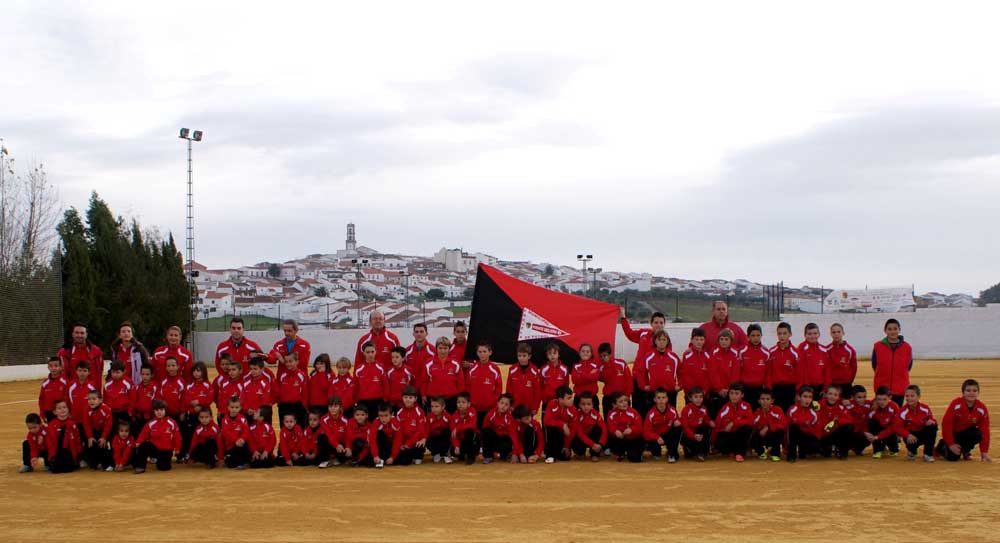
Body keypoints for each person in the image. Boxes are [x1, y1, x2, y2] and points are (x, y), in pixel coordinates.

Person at [620, 308, 665, 416]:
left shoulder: (665, 340)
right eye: (656, 322)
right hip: (637, 377)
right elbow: (629, 333)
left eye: (661, 323)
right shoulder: (643, 333)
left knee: (652, 410)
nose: (658, 325)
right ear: (651, 323)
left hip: (653, 381)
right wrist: (623, 317)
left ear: (664, 325)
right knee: (637, 407)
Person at [936, 379, 991, 462]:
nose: (971, 393)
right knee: (953, 458)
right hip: (954, 434)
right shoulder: (956, 404)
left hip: (966, 434)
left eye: (974, 390)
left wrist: (984, 452)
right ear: (963, 392)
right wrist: (951, 444)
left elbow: (985, 430)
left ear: (978, 393)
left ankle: (965, 450)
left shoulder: (982, 408)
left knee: (977, 434)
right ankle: (942, 446)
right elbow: (946, 424)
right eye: (968, 390)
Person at [871, 318, 913, 406]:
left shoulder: (907, 347)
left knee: (897, 412)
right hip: (882, 387)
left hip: (900, 388)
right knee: (881, 412)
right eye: (889, 329)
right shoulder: (878, 346)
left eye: (895, 329)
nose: (892, 331)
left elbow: (908, 366)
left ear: (899, 329)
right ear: (885, 330)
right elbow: (875, 365)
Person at [133, 399, 181, 473]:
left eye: (161, 409)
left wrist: (177, 448)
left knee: (163, 468)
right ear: (154, 411)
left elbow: (177, 437)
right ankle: (140, 467)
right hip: (154, 448)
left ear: (165, 410)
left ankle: (160, 461)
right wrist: (138, 442)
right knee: (143, 446)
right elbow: (144, 434)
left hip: (166, 450)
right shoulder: (151, 423)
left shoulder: (172, 423)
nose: (159, 412)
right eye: (156, 410)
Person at [637, 331, 680, 411]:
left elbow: (681, 372)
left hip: (670, 392)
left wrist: (680, 385)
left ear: (667, 341)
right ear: (655, 341)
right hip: (654, 392)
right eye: (659, 339)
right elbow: (640, 371)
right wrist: (643, 386)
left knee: (671, 414)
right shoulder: (649, 356)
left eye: (664, 339)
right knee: (653, 414)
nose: (661, 342)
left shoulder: (673, 357)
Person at [713, 383, 754, 462]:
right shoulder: (724, 409)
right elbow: (717, 427)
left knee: (747, 428)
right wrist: (714, 445)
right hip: (729, 435)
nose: (734, 396)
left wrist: (733, 423)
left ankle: (739, 453)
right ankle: (731, 450)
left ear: (742, 395)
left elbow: (751, 421)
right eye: (731, 393)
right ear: (728, 394)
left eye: (737, 393)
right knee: (720, 440)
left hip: (740, 435)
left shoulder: (746, 406)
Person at [423, 337, 465, 414]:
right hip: (434, 399)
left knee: (450, 420)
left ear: (449, 349)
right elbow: (424, 381)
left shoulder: (455, 363)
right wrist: (423, 395)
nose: (442, 351)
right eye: (440, 348)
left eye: (445, 348)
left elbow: (460, 382)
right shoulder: (429, 363)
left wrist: (460, 397)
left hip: (451, 399)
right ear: (436, 349)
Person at [180, 362, 213, 459]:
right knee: (189, 435)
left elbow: (210, 398)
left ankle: (205, 454)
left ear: (203, 372)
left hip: (204, 416)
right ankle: (189, 453)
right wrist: (186, 410)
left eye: (198, 371)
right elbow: (185, 399)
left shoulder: (207, 385)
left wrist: (200, 403)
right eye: (194, 371)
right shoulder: (189, 385)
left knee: (205, 435)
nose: (196, 373)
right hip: (191, 415)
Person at [57, 323, 104, 389]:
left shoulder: (96, 352)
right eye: (77, 333)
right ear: (72, 334)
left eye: (82, 333)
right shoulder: (64, 352)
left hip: (91, 391)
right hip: (72, 390)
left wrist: (96, 391)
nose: (79, 335)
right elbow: (60, 374)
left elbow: (99, 373)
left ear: (86, 335)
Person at [898, 384, 937, 462]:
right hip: (910, 436)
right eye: (907, 396)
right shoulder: (902, 411)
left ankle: (928, 454)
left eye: (912, 396)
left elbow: (932, 419)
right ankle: (912, 451)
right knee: (912, 448)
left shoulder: (925, 408)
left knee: (933, 426)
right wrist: (907, 434)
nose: (909, 398)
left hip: (922, 433)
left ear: (918, 397)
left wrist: (931, 421)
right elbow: (897, 427)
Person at [468, 341, 503, 427]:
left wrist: (494, 401)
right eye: (480, 352)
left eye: (484, 351)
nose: (482, 354)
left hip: (490, 409)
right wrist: (470, 402)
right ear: (477, 353)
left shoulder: (495, 369)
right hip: (474, 408)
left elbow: (499, 389)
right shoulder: (472, 368)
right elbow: (467, 387)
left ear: (490, 352)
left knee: (487, 430)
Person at [708, 329, 740, 419]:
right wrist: (719, 388)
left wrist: (730, 389)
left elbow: (735, 373)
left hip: (730, 392)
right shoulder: (714, 352)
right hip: (717, 391)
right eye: (721, 339)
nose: (723, 341)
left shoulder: (735, 353)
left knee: (730, 415)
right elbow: (713, 373)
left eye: (726, 339)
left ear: (731, 340)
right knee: (717, 415)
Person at [767, 322, 799, 411]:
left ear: (790, 334)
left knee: (789, 413)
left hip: (790, 389)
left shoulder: (795, 352)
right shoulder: (771, 352)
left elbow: (799, 374)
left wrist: (798, 392)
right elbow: (769, 372)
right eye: (779, 333)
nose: (782, 336)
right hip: (775, 388)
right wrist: (769, 389)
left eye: (784, 333)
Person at [643, 388, 681, 463]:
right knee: (654, 448)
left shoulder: (672, 410)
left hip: (667, 435)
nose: (661, 400)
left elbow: (678, 420)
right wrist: (656, 437)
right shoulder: (651, 414)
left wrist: (678, 421)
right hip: (656, 436)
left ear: (667, 399)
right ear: (654, 399)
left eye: (663, 397)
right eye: (659, 398)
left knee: (678, 428)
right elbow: (646, 431)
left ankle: (671, 453)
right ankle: (656, 452)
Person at [45, 399, 82, 474]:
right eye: (59, 408)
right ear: (55, 412)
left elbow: (77, 439)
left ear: (68, 409)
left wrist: (77, 454)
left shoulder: (72, 424)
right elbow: (50, 442)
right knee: (56, 470)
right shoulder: (51, 425)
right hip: (57, 452)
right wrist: (52, 455)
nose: (62, 410)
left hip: (69, 452)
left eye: (64, 407)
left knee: (68, 469)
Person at [606, 392, 643, 463]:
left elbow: (640, 427)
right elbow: (610, 425)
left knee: (635, 459)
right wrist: (615, 431)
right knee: (610, 437)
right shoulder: (611, 413)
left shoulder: (633, 412)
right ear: (614, 405)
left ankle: (637, 452)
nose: (624, 403)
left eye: (625, 400)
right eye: (621, 402)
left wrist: (631, 429)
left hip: (633, 438)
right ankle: (620, 453)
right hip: (621, 438)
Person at [738, 324, 769, 409]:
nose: (756, 338)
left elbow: (768, 373)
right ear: (748, 336)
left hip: (759, 389)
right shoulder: (741, 351)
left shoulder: (766, 352)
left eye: (758, 335)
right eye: (753, 335)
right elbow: (737, 371)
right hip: (745, 388)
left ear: (761, 336)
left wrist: (767, 390)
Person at [816, 385, 852, 460]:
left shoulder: (840, 407)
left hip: (834, 434)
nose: (832, 397)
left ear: (839, 397)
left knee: (848, 427)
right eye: (830, 394)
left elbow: (849, 419)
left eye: (835, 395)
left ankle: (842, 451)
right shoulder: (818, 405)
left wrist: (837, 422)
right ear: (825, 394)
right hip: (822, 435)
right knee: (826, 454)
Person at [786, 387, 821, 462]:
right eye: (805, 396)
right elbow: (787, 428)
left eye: (810, 397)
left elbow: (816, 432)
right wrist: (787, 445)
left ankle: (803, 451)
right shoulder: (792, 409)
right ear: (799, 397)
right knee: (793, 427)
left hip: (806, 436)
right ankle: (792, 455)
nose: (807, 399)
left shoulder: (814, 413)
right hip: (795, 435)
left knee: (821, 449)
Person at [395, 387, 428, 465]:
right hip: (404, 444)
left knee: (418, 456)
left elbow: (420, 431)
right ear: (402, 398)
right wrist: (400, 444)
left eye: (410, 397)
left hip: (415, 442)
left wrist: (408, 444)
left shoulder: (419, 411)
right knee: (403, 461)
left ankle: (418, 456)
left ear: (415, 399)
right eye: (405, 397)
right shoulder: (399, 413)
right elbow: (398, 431)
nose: (408, 400)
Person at [751, 389, 786, 462]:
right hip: (762, 437)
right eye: (762, 399)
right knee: (752, 436)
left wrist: (768, 427)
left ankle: (775, 453)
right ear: (759, 401)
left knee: (780, 431)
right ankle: (761, 452)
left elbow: (783, 424)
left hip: (773, 436)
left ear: (772, 400)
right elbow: (753, 428)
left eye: (767, 399)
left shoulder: (778, 410)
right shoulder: (756, 413)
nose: (765, 401)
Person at [866, 386, 901, 458]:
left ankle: (894, 446)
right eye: (879, 399)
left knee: (894, 451)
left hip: (890, 431)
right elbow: (866, 420)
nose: (881, 402)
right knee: (871, 423)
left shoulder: (894, 407)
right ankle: (877, 450)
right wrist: (867, 433)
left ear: (890, 397)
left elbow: (894, 427)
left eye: (884, 399)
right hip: (879, 430)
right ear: (876, 398)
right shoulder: (873, 406)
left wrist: (878, 436)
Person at [543, 386, 576, 463]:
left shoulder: (573, 410)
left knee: (564, 457)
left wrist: (566, 446)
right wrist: (562, 424)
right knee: (550, 428)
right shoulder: (552, 403)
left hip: (564, 436)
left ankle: (559, 451)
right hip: (554, 433)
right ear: (560, 399)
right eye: (569, 398)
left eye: (571, 397)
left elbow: (572, 430)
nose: (571, 400)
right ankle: (549, 454)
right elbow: (546, 421)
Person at [679, 329, 711, 407]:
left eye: (701, 339)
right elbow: (685, 375)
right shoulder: (687, 355)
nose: (699, 342)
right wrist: (692, 392)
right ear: (691, 340)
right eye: (696, 339)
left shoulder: (708, 355)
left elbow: (710, 375)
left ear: (705, 340)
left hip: (704, 394)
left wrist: (704, 390)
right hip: (690, 395)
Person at [355, 342, 388, 418]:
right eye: (368, 352)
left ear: (376, 352)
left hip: (378, 402)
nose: (370, 354)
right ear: (363, 353)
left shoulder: (381, 367)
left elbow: (386, 385)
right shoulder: (359, 369)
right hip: (363, 402)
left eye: (372, 352)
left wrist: (385, 400)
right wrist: (356, 401)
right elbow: (356, 387)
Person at [598, 343, 632, 416]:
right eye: (600, 356)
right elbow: (606, 378)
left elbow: (629, 379)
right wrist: (607, 365)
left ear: (610, 354)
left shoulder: (621, 363)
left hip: (623, 397)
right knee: (608, 420)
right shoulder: (601, 367)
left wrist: (627, 395)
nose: (603, 358)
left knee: (625, 419)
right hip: (609, 398)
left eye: (604, 355)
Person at [276, 354, 309, 429]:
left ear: (297, 362)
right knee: (284, 429)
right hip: (284, 406)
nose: (288, 364)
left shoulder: (302, 375)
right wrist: (279, 402)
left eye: (290, 361)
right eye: (286, 361)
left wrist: (305, 406)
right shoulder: (283, 375)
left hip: (297, 406)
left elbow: (305, 392)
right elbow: (279, 390)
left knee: (299, 429)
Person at [481, 394, 516, 464]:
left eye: (506, 404)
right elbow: (484, 429)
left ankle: (505, 454)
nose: (503, 406)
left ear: (510, 407)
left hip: (503, 441)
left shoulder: (509, 418)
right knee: (486, 431)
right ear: (497, 403)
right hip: (494, 439)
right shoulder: (491, 414)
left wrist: (515, 454)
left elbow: (514, 436)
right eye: (501, 403)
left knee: (507, 439)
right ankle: (488, 456)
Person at [218, 395, 251, 469]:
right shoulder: (225, 420)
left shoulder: (243, 418)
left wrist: (242, 439)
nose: (234, 409)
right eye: (232, 407)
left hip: (241, 444)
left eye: (236, 407)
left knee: (244, 450)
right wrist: (236, 440)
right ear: (228, 407)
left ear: (240, 408)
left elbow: (246, 431)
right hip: (231, 445)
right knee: (231, 464)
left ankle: (245, 462)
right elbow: (226, 433)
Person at [798, 323, 831, 395]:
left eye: (815, 333)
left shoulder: (824, 350)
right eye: (809, 334)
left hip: (820, 387)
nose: (812, 336)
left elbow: (827, 371)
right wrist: (801, 389)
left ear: (819, 334)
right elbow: (800, 371)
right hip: (806, 388)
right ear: (805, 335)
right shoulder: (801, 348)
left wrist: (826, 388)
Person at [572, 392, 607, 462]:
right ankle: (581, 453)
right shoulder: (576, 415)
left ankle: (594, 454)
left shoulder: (595, 414)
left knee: (598, 429)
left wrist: (600, 444)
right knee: (574, 436)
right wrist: (592, 444)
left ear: (592, 405)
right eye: (583, 404)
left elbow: (604, 429)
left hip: (592, 437)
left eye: (588, 404)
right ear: (579, 405)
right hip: (582, 438)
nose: (586, 406)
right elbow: (580, 434)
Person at [82, 390, 113, 469]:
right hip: (93, 431)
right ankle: (93, 462)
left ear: (100, 400)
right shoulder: (86, 409)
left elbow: (108, 425)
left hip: (105, 431)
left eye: (94, 399)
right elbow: (86, 424)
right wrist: (89, 437)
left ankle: (107, 463)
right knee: (91, 443)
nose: (91, 401)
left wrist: (104, 437)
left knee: (102, 444)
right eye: (89, 399)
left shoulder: (106, 409)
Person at [826, 323, 857, 401]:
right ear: (830, 334)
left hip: (846, 384)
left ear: (843, 333)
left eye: (838, 332)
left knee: (846, 405)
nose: (836, 334)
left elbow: (854, 368)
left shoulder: (850, 350)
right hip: (832, 384)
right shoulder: (827, 349)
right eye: (833, 332)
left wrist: (849, 381)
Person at [102, 360, 134, 429]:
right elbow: (105, 400)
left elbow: (132, 398)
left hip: (124, 412)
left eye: (117, 372)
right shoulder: (107, 384)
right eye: (113, 372)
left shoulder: (128, 383)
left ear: (123, 372)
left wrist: (130, 412)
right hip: (111, 413)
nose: (115, 375)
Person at [370, 403, 402, 468]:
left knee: (406, 460)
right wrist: (375, 455)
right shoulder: (376, 422)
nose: (383, 419)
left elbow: (397, 441)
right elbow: (372, 440)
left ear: (392, 414)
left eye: (386, 416)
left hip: (391, 446)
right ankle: (380, 458)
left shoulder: (396, 423)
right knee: (380, 434)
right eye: (381, 416)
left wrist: (392, 457)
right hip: (380, 446)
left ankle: (386, 459)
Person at [571, 344, 602, 412]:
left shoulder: (595, 366)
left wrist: (581, 374)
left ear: (591, 354)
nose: (585, 353)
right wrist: (589, 375)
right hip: (579, 398)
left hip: (592, 397)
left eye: (588, 351)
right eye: (583, 351)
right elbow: (575, 380)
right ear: (579, 353)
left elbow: (595, 378)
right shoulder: (575, 366)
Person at [450, 392, 479, 464]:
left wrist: (458, 428)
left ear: (468, 404)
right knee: (453, 451)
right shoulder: (454, 416)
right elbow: (453, 434)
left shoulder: (472, 411)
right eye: (458, 402)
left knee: (469, 431)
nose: (460, 404)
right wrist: (456, 446)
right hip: (461, 440)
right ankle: (462, 454)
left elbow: (472, 425)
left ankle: (470, 457)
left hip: (472, 439)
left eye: (463, 402)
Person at [539, 343, 569, 408]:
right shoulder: (543, 369)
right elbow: (540, 385)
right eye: (550, 353)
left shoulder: (564, 368)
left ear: (558, 354)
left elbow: (566, 385)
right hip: (547, 400)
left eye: (554, 353)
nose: (552, 355)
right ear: (547, 355)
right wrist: (543, 398)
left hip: (560, 401)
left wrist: (564, 399)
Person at [845, 385, 872, 456]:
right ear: (852, 397)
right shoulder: (848, 405)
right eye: (859, 397)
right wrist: (841, 400)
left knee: (870, 433)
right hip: (851, 432)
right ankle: (843, 447)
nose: (862, 399)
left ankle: (857, 449)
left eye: (864, 397)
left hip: (861, 432)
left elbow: (878, 401)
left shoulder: (868, 404)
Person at [321, 397, 350, 466]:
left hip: (340, 445)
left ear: (340, 407)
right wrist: (336, 445)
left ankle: (336, 459)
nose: (333, 408)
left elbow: (347, 436)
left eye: (335, 406)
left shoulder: (345, 420)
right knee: (321, 437)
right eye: (330, 406)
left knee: (345, 457)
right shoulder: (324, 419)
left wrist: (348, 447)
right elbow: (328, 434)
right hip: (331, 444)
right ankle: (325, 460)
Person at [132, 365, 159, 436]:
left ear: (152, 375)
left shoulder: (155, 387)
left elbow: (157, 402)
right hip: (139, 417)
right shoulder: (137, 387)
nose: (145, 376)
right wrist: (133, 414)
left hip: (151, 417)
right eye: (143, 374)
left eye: (147, 374)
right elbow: (134, 401)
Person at [38, 357, 68, 421]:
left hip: (62, 412)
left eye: (56, 366)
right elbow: (41, 399)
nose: (53, 368)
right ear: (48, 367)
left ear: (61, 367)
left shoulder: (65, 382)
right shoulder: (45, 383)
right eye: (51, 366)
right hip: (48, 412)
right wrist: (42, 413)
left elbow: (68, 398)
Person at [426, 396, 453, 464]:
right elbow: (427, 431)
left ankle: (445, 453)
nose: (434, 409)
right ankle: (436, 453)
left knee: (446, 431)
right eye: (432, 406)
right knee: (427, 439)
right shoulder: (429, 416)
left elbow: (452, 432)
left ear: (443, 407)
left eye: (436, 406)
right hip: (434, 438)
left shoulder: (448, 416)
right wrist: (424, 439)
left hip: (444, 439)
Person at [160, 357, 186, 425]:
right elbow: (160, 397)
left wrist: (182, 412)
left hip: (177, 414)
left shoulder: (181, 382)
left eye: (173, 365)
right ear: (166, 368)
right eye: (168, 366)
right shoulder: (163, 381)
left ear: (178, 366)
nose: (171, 368)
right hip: (164, 413)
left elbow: (184, 398)